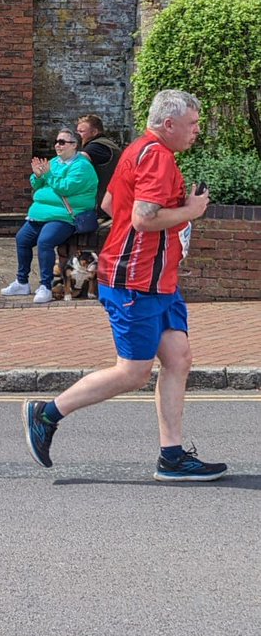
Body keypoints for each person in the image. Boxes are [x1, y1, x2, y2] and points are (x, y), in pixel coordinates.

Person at [23, 90, 227, 482]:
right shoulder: (157, 157)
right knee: (133, 372)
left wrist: (173, 207)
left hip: (157, 278)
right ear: (169, 124)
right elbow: (142, 220)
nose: (197, 131)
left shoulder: (138, 150)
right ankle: (45, 414)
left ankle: (171, 456)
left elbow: (109, 205)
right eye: (193, 124)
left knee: (179, 358)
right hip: (136, 280)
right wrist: (191, 210)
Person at [1, 127, 98, 305]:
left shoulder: (82, 167)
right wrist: (38, 176)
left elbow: (65, 188)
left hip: (65, 216)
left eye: (62, 142)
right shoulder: (54, 163)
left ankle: (45, 286)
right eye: (56, 142)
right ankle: (22, 282)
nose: (57, 145)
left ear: (74, 145)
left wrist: (48, 175)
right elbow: (37, 185)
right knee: (22, 239)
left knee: (45, 242)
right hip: (40, 213)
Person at [76, 113, 121, 220]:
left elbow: (73, 164)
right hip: (113, 203)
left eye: (82, 132)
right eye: (77, 131)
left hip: (103, 207)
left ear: (94, 132)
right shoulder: (108, 145)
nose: (78, 135)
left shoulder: (95, 147)